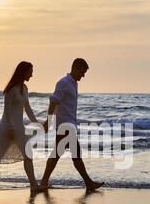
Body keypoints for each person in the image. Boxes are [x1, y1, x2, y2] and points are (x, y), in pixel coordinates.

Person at [41, 58, 104, 191]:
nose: (83, 75)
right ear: (75, 68)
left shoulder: (73, 83)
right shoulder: (63, 83)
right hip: (65, 125)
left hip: (69, 125)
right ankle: (88, 183)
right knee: (74, 155)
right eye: (82, 71)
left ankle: (44, 181)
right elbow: (53, 102)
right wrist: (48, 121)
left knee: (58, 154)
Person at [0, 61, 46, 192]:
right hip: (7, 127)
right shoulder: (11, 89)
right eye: (30, 71)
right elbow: (6, 111)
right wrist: (11, 128)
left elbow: (28, 109)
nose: (32, 75)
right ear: (23, 72)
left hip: (19, 127)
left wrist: (37, 123)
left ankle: (33, 184)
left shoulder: (24, 89)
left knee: (28, 155)